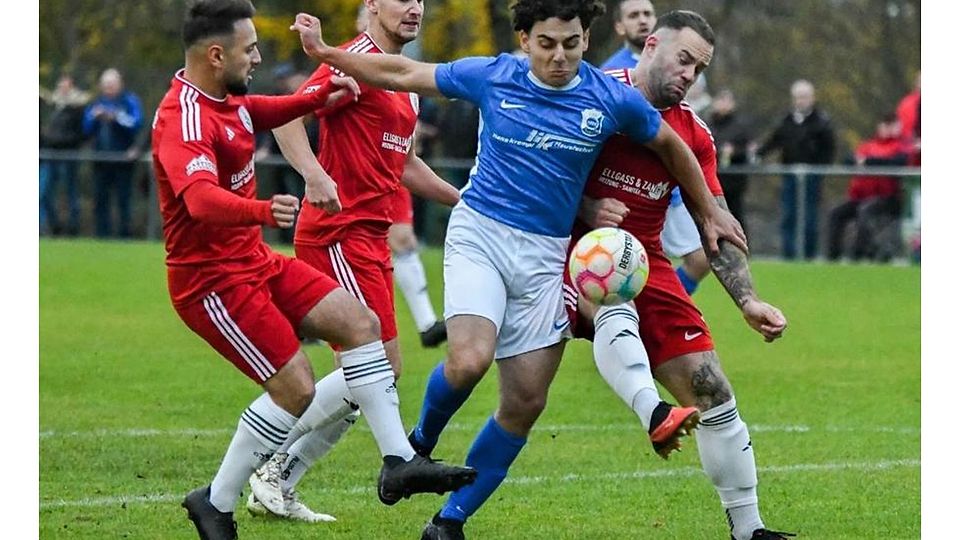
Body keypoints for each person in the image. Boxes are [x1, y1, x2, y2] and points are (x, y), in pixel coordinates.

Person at [289, 1, 747, 537]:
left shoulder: (607, 97)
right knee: (468, 360)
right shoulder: (493, 74)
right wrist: (324, 53)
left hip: (546, 256)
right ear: (525, 39)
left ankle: (449, 524)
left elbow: (671, 144)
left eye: (572, 44)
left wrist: (710, 209)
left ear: (586, 39)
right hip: (480, 234)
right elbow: (400, 71)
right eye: (547, 44)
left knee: (525, 402)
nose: (559, 57)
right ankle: (414, 449)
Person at [152, 2, 476, 538]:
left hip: (280, 255)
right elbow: (205, 199)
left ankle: (395, 460)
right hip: (253, 265)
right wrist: (305, 180)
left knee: (362, 335)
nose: (258, 55)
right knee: (324, 380)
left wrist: (460, 199)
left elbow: (284, 111)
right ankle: (247, 486)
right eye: (250, 48)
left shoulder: (399, 80)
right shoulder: (188, 115)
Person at [569, 11, 792, 540]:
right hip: (562, 248)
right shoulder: (593, 94)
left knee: (712, 388)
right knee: (516, 390)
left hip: (643, 259)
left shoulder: (694, 134)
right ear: (651, 46)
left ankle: (749, 530)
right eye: (684, 59)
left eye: (699, 68)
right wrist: (586, 204)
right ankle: (414, 453)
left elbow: (714, 224)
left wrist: (748, 301)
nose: (690, 74)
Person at [245, 0, 462, 522]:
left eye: (420, 1)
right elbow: (287, 117)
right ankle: (267, 460)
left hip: (369, 238)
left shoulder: (401, 79)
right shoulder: (352, 59)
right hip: (337, 234)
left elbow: (404, 161)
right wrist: (315, 176)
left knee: (374, 373)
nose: (414, 8)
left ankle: (277, 477)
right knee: (377, 369)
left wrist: (464, 201)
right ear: (371, 6)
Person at [600, 0, 710, 296]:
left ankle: (662, 299)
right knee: (623, 264)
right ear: (620, 27)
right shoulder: (610, 72)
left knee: (702, 258)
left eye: (647, 13)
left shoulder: (681, 63)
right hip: (625, 193)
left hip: (668, 189)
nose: (642, 19)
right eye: (633, 15)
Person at [757, 79, 836, 260]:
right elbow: (774, 141)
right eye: (798, 97)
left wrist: (820, 169)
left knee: (809, 217)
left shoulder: (821, 121)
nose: (801, 101)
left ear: (812, 98)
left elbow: (829, 149)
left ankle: (808, 255)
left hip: (811, 177)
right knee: (789, 216)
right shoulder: (787, 120)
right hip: (790, 176)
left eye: (805, 97)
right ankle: (789, 255)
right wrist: (758, 154)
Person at [826, 113, 910, 262]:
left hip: (887, 198)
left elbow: (896, 162)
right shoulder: (869, 146)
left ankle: (859, 254)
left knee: (865, 210)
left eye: (891, 125)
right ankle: (833, 256)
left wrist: (868, 162)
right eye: (885, 124)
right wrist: (862, 161)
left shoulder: (900, 147)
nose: (887, 128)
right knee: (836, 213)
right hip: (861, 196)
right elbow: (848, 160)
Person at [83, 68, 144, 238]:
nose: (109, 87)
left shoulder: (129, 101)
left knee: (124, 200)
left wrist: (115, 118)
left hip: (123, 160)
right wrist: (96, 118)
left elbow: (136, 124)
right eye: (106, 84)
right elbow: (85, 129)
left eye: (112, 84)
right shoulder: (96, 103)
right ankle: (101, 235)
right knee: (101, 200)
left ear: (120, 84)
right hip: (101, 160)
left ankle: (125, 235)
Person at [40, 73, 90, 236]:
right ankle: (54, 226)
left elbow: (81, 133)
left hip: (69, 155)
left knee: (71, 192)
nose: (62, 89)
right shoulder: (54, 105)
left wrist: (62, 141)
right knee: (44, 192)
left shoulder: (78, 108)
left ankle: (73, 229)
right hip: (51, 153)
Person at [707, 88, 754, 235]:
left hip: (733, 181)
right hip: (713, 178)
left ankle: (741, 245)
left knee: (736, 215)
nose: (723, 104)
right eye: (720, 100)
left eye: (727, 101)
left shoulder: (740, 126)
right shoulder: (708, 123)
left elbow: (748, 149)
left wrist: (734, 152)